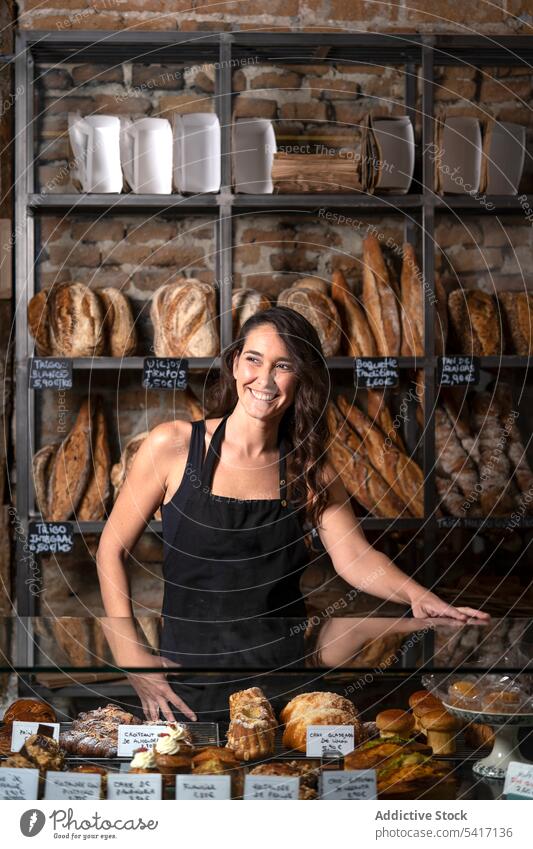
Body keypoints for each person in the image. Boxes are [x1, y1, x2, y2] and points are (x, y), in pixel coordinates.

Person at [96, 306, 489, 722]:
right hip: (188, 679)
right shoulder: (172, 446)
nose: (264, 380)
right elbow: (111, 550)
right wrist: (132, 656)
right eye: (253, 360)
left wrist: (419, 596)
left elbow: (354, 557)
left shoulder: (309, 467)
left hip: (286, 680)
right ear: (234, 365)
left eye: (282, 366)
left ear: (301, 378)